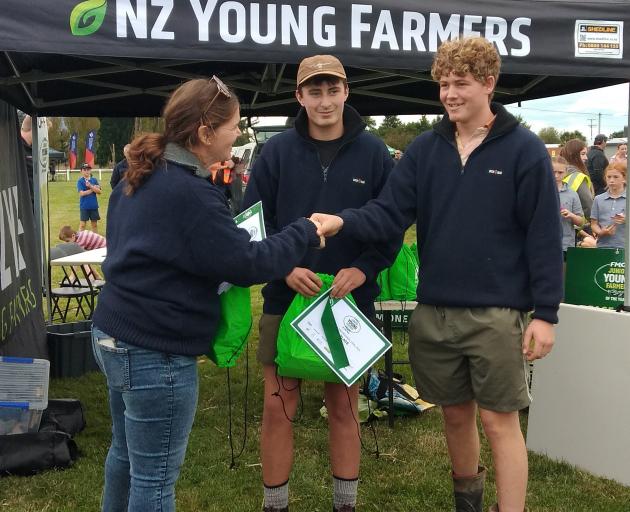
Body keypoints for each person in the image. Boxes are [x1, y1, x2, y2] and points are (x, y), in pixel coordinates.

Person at [312, 37, 562, 512]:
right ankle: (467, 503)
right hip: (435, 310)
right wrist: (341, 220)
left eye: (460, 84)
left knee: (498, 421)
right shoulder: (426, 150)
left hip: (496, 311)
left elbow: (544, 236)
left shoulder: (524, 150)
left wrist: (545, 313)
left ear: (488, 83)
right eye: (444, 84)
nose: (449, 94)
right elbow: (387, 213)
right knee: (453, 416)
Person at [90, 76, 323, 512]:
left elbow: (176, 245)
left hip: (113, 333)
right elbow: (245, 262)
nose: (239, 133)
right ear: (204, 132)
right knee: (155, 482)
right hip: (154, 350)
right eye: (234, 125)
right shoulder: (189, 193)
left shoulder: (140, 171)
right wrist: (304, 230)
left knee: (124, 457)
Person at [242, 54, 399, 512]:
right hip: (284, 297)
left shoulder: (374, 153)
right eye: (315, 91)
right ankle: (276, 504)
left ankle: (344, 504)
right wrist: (282, 266)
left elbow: (389, 226)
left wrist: (364, 269)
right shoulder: (275, 152)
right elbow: (252, 224)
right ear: (299, 96)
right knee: (277, 408)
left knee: (344, 408)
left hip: (348, 301)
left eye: (333, 90)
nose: (325, 101)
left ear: (347, 92)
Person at [552, 156, 584, 257]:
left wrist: (571, 215)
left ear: (566, 172)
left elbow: (581, 222)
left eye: (560, 172)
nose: (556, 176)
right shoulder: (539, 191)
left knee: (564, 272)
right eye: (553, 172)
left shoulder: (572, 194)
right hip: (543, 244)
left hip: (565, 245)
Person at [590, 162, 626, 249]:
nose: (611, 180)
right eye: (608, 177)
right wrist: (601, 232)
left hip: (625, 247)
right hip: (603, 246)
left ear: (624, 178)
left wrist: (625, 220)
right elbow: (593, 224)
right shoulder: (598, 199)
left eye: (616, 177)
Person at [559, 138, 593, 220]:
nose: (586, 158)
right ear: (573, 155)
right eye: (583, 154)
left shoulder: (560, 173)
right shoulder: (579, 177)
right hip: (579, 224)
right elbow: (588, 205)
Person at [77, 163, 102, 232]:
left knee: (94, 225)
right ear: (81, 171)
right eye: (84, 170)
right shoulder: (80, 181)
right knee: (82, 225)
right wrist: (93, 188)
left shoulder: (94, 180)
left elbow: (99, 192)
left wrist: (91, 186)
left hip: (93, 205)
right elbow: (82, 193)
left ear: (90, 170)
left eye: (88, 169)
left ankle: (95, 240)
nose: (86, 171)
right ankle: (79, 240)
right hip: (84, 206)